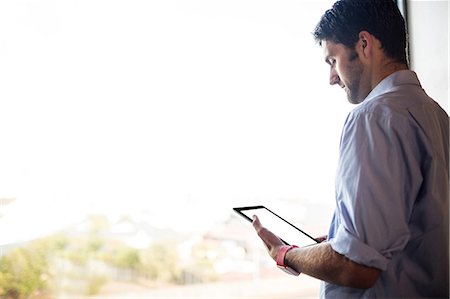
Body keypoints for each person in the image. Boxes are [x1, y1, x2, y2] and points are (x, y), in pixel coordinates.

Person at [251, 0, 449, 298]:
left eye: (333, 60)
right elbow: (413, 227)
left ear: (364, 44)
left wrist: (285, 253)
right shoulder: (436, 115)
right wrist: (339, 241)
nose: (332, 78)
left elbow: (355, 267)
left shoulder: (373, 117)